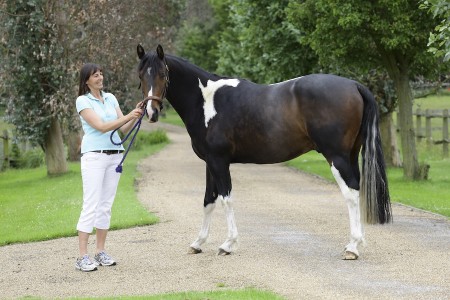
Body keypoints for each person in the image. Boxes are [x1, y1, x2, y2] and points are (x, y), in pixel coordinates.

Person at [75, 63, 144, 272]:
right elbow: (102, 126)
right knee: (91, 204)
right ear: (86, 80)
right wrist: (129, 115)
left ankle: (100, 251)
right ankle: (82, 256)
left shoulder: (111, 98)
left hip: (115, 157)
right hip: (94, 157)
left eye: (101, 74)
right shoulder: (82, 101)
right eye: (95, 75)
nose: (100, 77)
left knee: (105, 205)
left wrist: (136, 115)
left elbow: (122, 128)